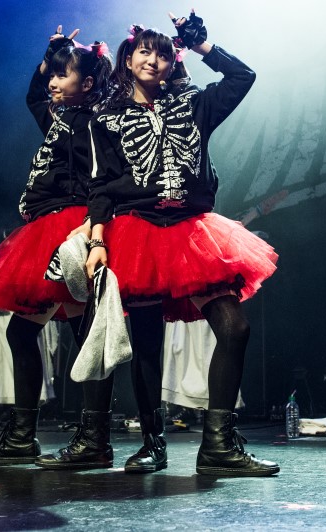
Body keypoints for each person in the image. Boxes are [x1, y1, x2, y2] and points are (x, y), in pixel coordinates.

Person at [85, 11, 280, 476]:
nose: (154, 59)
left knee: (235, 328)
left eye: (164, 53)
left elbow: (243, 76)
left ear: (174, 63)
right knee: (147, 344)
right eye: (144, 51)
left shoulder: (194, 104)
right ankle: (153, 443)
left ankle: (217, 445)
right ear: (128, 59)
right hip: (139, 233)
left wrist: (202, 45)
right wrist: (96, 240)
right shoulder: (106, 118)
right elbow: (101, 186)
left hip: (194, 231)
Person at [0, 26, 116, 468]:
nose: (53, 82)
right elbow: (35, 96)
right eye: (53, 75)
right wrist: (51, 55)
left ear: (86, 84)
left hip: (70, 229)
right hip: (43, 229)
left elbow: (102, 180)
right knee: (22, 331)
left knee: (84, 334)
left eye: (62, 75)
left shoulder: (93, 122)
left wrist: (92, 233)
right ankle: (22, 433)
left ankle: (94, 436)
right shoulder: (59, 117)